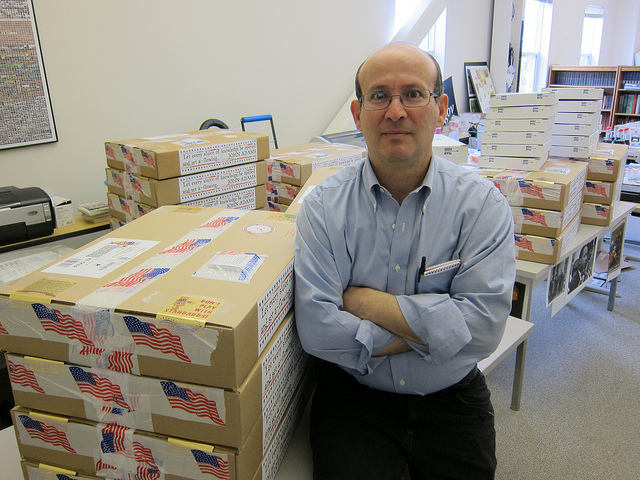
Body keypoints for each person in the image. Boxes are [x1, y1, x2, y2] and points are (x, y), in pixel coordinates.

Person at [294, 43, 516, 480]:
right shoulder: (322, 208)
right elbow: (318, 331)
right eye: (379, 96)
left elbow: (485, 328)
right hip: (355, 399)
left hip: (452, 395)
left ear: (441, 108)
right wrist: (439, 327)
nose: (396, 111)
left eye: (413, 93)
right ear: (358, 115)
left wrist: (365, 304)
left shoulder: (483, 206)